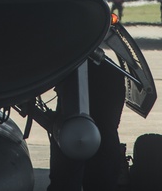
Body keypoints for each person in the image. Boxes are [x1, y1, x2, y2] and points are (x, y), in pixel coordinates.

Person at [48, 59, 127, 191]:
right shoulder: (110, 73)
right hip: (104, 78)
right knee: (102, 139)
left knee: (73, 137)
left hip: (74, 69)